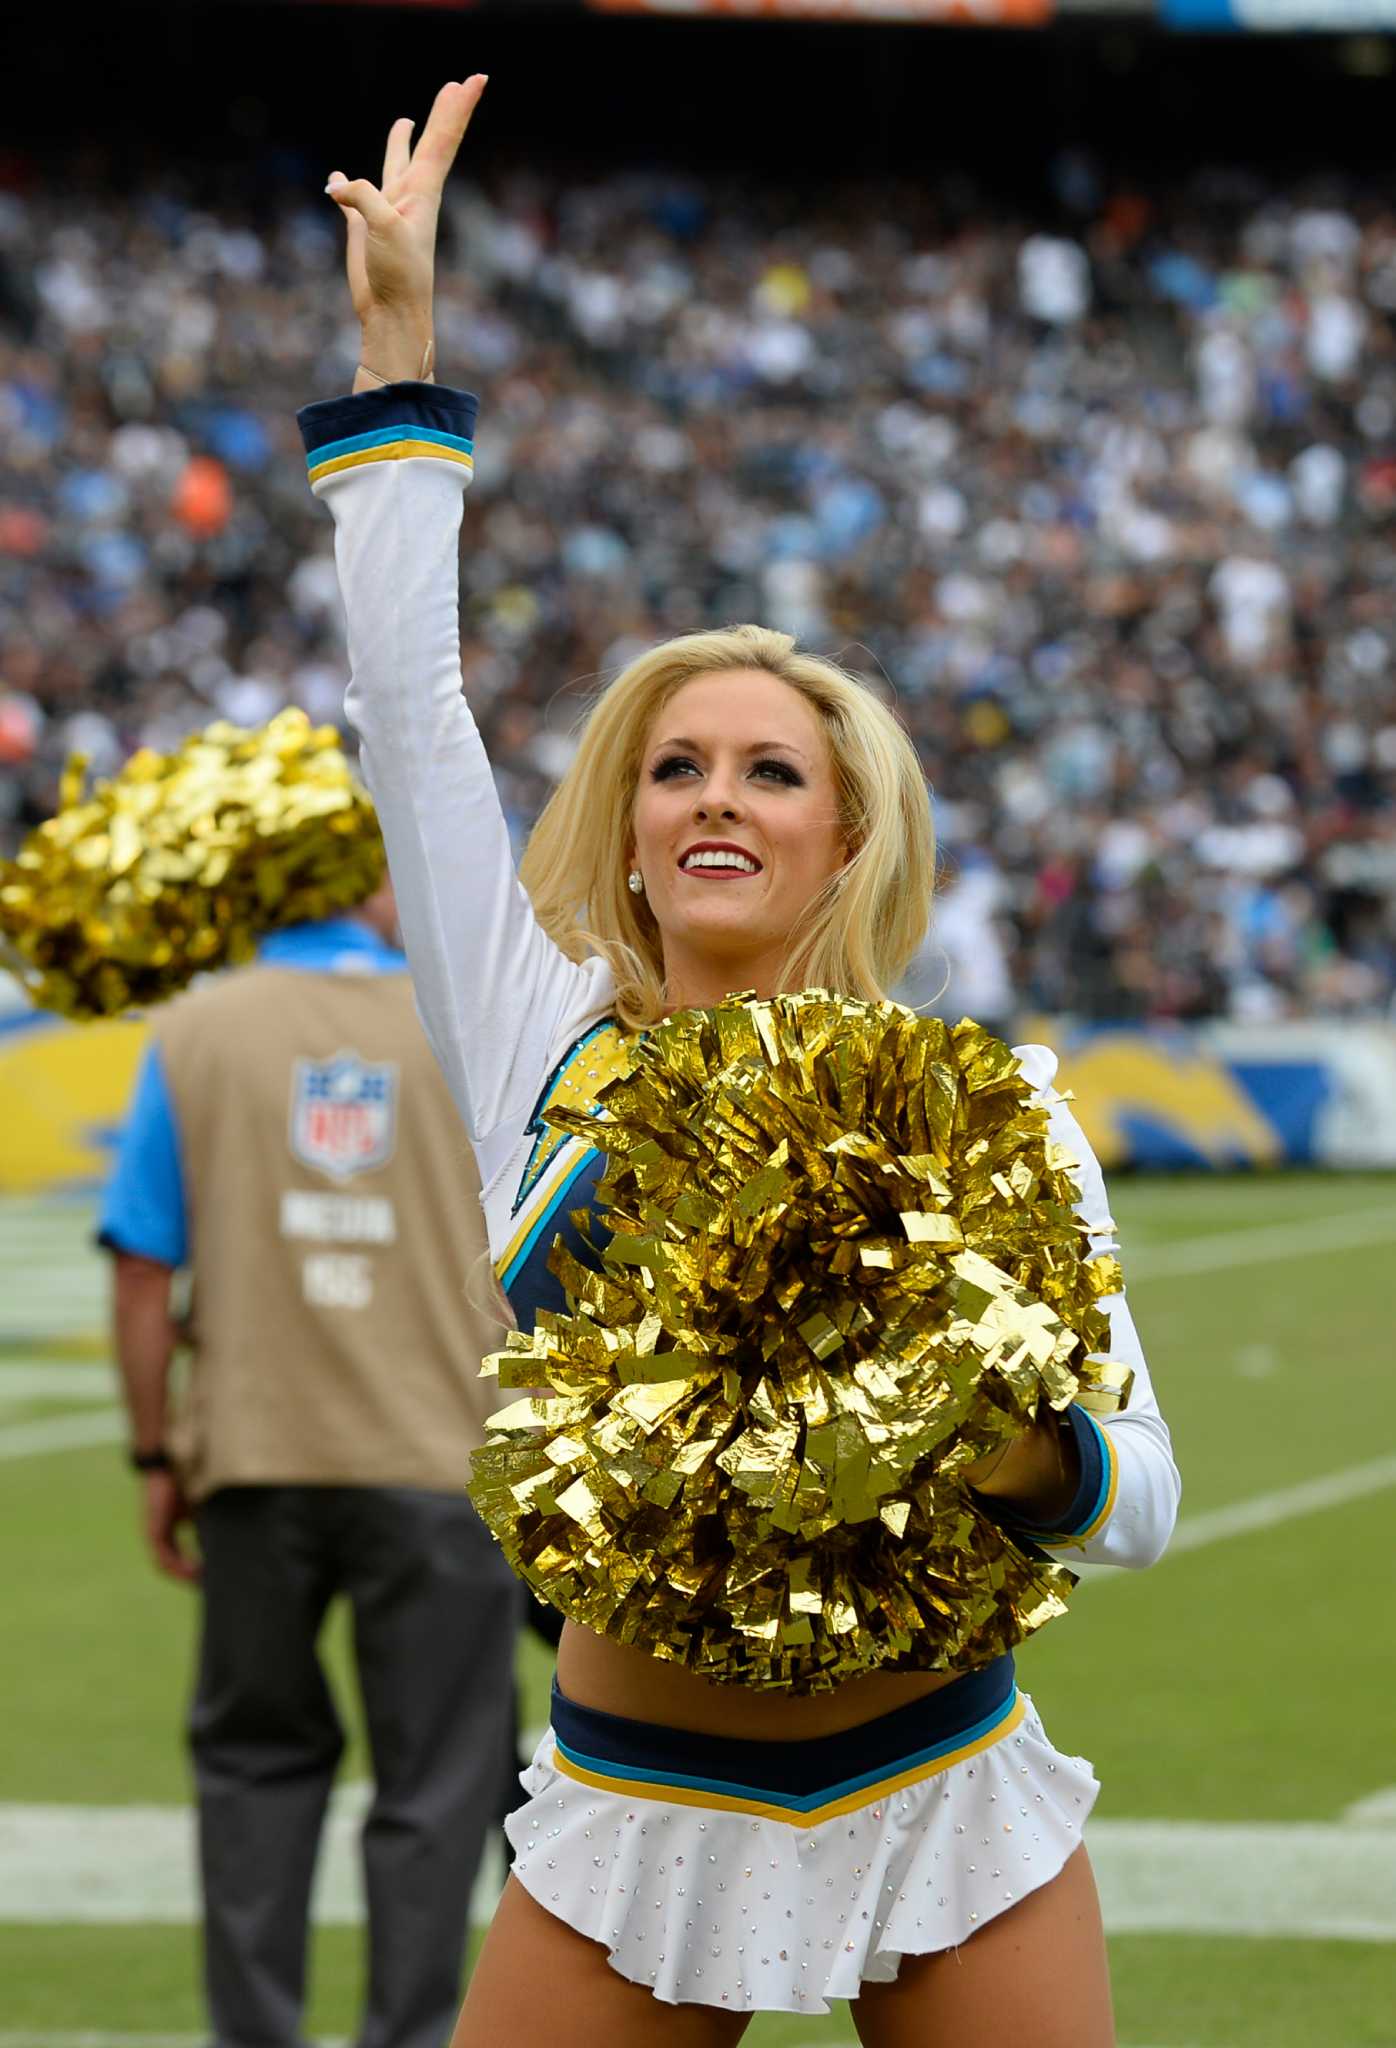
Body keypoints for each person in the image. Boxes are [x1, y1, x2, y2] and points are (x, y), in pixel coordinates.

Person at [308, 80, 1180, 2047]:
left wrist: (1003, 1437)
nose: (715, 796)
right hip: (635, 1809)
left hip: (940, 1790)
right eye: (672, 766)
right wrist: (397, 355)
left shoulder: (988, 1108)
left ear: (841, 834)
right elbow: (406, 709)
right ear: (622, 826)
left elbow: (1140, 1491)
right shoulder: (533, 1038)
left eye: (767, 769)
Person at [99, 872, 522, 2048]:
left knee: (252, 1767)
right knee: (437, 1785)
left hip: (255, 1450)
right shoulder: (471, 1029)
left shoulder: (194, 1029)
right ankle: (409, 2034)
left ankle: (256, 2036)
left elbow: (142, 1266)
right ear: (383, 882)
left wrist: (152, 1449)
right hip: (445, 1457)